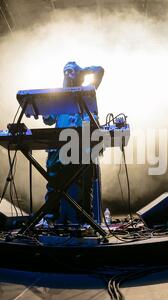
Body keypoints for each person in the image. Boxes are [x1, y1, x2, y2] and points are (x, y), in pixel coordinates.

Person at [43, 61, 104, 225]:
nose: (67, 75)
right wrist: (47, 105)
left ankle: (85, 220)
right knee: (54, 183)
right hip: (59, 147)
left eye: (71, 72)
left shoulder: (86, 93)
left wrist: (82, 71)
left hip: (82, 145)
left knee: (84, 184)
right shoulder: (58, 97)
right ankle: (50, 218)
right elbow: (48, 120)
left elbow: (100, 71)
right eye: (65, 72)